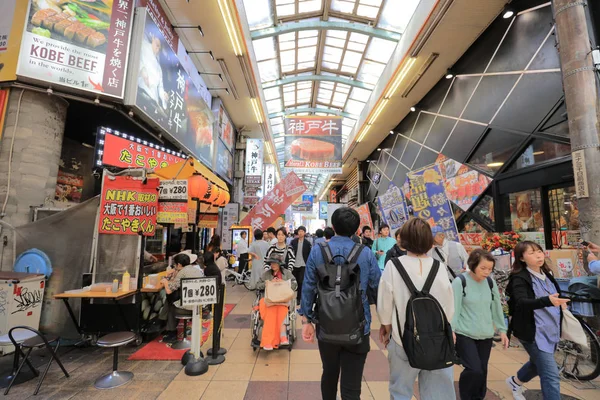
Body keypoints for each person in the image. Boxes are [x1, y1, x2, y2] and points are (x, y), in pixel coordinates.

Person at [301, 207, 381, 400]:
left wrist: (307, 319)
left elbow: (309, 285)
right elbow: (377, 285)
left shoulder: (318, 252)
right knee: (352, 383)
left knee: (329, 373)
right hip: (359, 325)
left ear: (333, 226)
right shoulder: (366, 253)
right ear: (356, 229)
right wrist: (385, 322)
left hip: (326, 323)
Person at [377, 217, 455, 399]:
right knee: (438, 393)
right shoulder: (439, 267)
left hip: (402, 338)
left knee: (401, 391)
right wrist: (448, 327)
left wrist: (386, 325)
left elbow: (385, 302)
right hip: (437, 339)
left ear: (402, 241)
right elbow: (448, 303)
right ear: (430, 241)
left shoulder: (393, 266)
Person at [505, 241, 569, 400]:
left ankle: (515, 382)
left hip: (551, 330)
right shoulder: (519, 278)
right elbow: (521, 303)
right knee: (551, 375)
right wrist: (547, 301)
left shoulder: (547, 274)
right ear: (521, 258)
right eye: (532, 253)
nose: (538, 255)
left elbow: (556, 297)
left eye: (539, 251)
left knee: (536, 363)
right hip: (533, 333)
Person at [452, 249, 509, 400]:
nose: (486, 272)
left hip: (485, 334)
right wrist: (451, 330)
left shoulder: (490, 283)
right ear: (472, 265)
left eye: (489, 269)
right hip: (464, 333)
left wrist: (502, 330)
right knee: (474, 369)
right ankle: (466, 396)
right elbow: (454, 309)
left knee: (482, 371)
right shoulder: (460, 282)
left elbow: (496, 307)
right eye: (483, 268)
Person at [256, 258, 298, 350]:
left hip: (282, 299)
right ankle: (268, 341)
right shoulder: (266, 274)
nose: (272, 265)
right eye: (271, 263)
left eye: (275, 263)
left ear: (279, 264)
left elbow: (295, 284)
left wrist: (283, 283)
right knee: (271, 314)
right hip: (269, 300)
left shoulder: (286, 273)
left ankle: (282, 337)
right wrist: (268, 283)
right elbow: (258, 285)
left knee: (281, 312)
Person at [160, 252, 203, 343]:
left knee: (170, 302)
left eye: (175, 265)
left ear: (179, 264)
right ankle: (165, 324)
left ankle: (171, 332)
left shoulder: (182, 272)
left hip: (188, 306)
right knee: (171, 301)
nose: (174, 266)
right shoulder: (195, 269)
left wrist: (165, 282)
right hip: (199, 303)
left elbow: (169, 291)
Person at [290, 226, 312, 304]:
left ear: (304, 233)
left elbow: (309, 255)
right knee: (292, 281)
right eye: (299, 231)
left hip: (303, 265)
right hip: (294, 264)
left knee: (300, 282)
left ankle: (299, 298)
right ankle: (289, 297)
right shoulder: (293, 242)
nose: (300, 233)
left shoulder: (307, 243)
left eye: (302, 231)